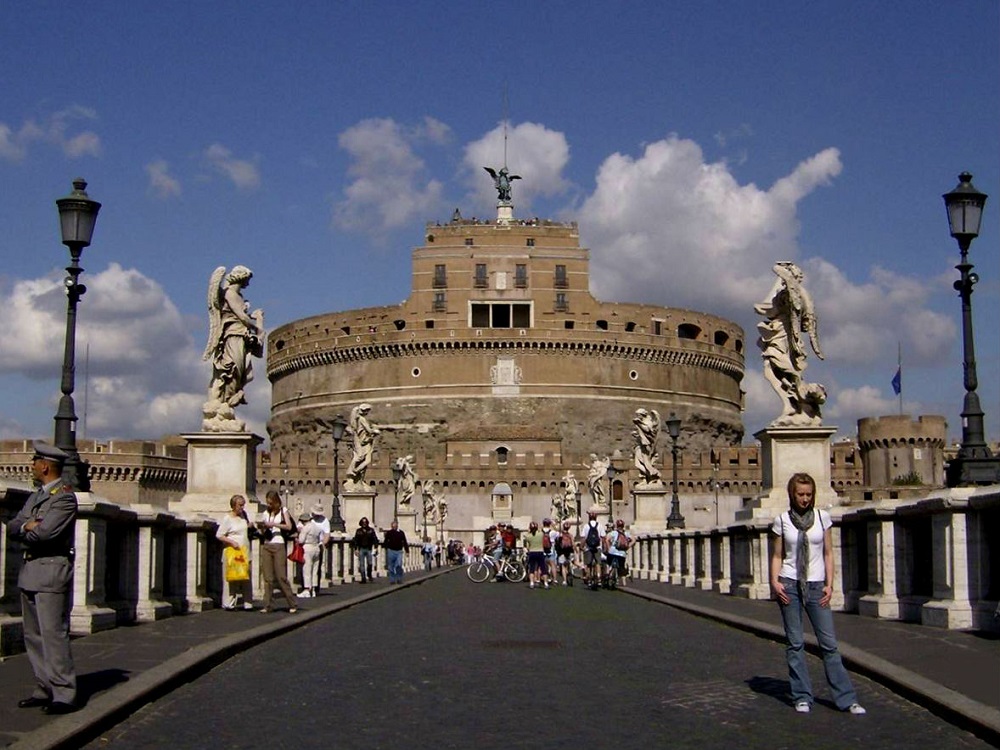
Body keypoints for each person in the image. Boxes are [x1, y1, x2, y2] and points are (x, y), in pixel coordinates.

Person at [769, 472, 865, 715]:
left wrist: (830, 584)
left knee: (829, 644)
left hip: (816, 586)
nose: (805, 499)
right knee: (795, 643)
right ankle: (801, 696)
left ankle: (846, 699)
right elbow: (778, 555)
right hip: (789, 584)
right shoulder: (782, 521)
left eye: (808, 494)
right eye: (800, 494)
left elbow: (828, 553)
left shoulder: (823, 518)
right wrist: (774, 582)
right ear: (792, 494)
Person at [8, 442, 79, 714]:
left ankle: (64, 693)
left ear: (46, 466)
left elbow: (46, 533)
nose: (32, 464)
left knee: (53, 635)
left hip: (51, 571)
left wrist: (28, 527)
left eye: (36, 460)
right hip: (31, 571)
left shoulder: (63, 497)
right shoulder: (36, 496)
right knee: (33, 636)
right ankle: (44, 687)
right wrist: (28, 525)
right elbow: (15, 525)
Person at [754, 262, 826, 426]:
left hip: (783, 333)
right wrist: (780, 278)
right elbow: (765, 308)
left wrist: (781, 272)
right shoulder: (786, 293)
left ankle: (801, 389)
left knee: (780, 367)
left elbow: (767, 310)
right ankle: (789, 404)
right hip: (778, 331)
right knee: (770, 371)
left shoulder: (796, 294)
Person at [202, 265, 264, 428]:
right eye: (247, 280)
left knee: (241, 373)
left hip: (240, 337)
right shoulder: (230, 293)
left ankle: (225, 407)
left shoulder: (238, 295)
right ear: (240, 278)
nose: (248, 284)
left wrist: (256, 322)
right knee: (231, 370)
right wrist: (258, 324)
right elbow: (242, 318)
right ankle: (222, 406)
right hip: (233, 337)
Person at [255, 490, 298, 613]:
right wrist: (262, 527)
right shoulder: (265, 513)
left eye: (271, 503)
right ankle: (268, 605)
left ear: (276, 502)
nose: (269, 505)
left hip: (279, 545)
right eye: (267, 503)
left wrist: (273, 524)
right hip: (267, 545)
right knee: (268, 578)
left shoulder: (283, 511)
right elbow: (263, 533)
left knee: (281, 576)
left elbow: (289, 527)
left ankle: (292, 603)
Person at [216, 494, 255, 610]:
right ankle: (229, 603)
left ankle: (248, 602)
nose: (242, 507)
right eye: (240, 505)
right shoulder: (227, 518)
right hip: (232, 552)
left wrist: (249, 526)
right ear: (233, 506)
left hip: (244, 551)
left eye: (243, 505)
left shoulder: (244, 516)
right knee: (230, 578)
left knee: (246, 577)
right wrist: (231, 542)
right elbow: (219, 535)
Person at [298, 506, 329, 598]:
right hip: (317, 548)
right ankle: (314, 589)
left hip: (308, 548)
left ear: (303, 521)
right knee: (315, 570)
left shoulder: (306, 528)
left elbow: (301, 540)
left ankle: (307, 589)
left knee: (307, 569)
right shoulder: (317, 527)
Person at [346, 403, 379, 488]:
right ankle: (353, 471)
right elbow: (369, 430)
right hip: (362, 442)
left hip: (365, 442)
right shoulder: (361, 419)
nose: (368, 412)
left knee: (365, 460)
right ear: (365, 411)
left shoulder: (358, 419)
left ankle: (359, 478)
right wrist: (376, 431)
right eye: (368, 410)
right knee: (362, 458)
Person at [581, 511, 605, 589]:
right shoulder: (600, 526)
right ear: (596, 518)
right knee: (598, 563)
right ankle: (598, 578)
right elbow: (603, 537)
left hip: (588, 547)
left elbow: (583, 538)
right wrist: (605, 547)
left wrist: (582, 546)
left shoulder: (586, 526)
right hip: (597, 547)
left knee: (588, 564)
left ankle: (589, 580)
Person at [523, 521, 550, 589]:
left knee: (532, 568)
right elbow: (542, 531)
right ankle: (546, 583)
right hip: (540, 552)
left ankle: (531, 583)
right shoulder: (541, 534)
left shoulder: (528, 536)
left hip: (532, 552)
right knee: (543, 568)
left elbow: (525, 536)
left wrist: (529, 531)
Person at [352, 517, 379, 583]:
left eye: (365, 522)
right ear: (361, 523)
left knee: (370, 563)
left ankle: (369, 574)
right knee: (361, 564)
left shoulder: (371, 530)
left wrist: (376, 547)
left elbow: (375, 539)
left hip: (369, 549)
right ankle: (363, 578)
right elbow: (356, 540)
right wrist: (356, 549)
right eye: (363, 522)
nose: (364, 524)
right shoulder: (358, 531)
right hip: (361, 549)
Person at [605, 519, 631, 587]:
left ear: (616, 525)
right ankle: (624, 583)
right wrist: (628, 546)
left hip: (612, 552)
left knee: (608, 563)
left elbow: (607, 540)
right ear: (623, 526)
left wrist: (608, 548)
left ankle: (608, 574)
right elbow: (634, 540)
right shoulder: (626, 534)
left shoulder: (613, 533)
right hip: (622, 554)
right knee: (622, 568)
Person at [383, 520, 408, 584]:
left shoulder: (401, 533)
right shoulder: (389, 533)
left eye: (395, 526)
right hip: (391, 550)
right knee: (391, 566)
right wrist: (385, 548)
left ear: (397, 526)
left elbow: (405, 542)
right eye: (393, 526)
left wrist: (407, 550)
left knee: (398, 565)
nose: (394, 527)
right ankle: (392, 579)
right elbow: (385, 541)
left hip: (399, 551)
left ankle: (399, 578)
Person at [554, 522, 575, 586]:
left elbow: (557, 543)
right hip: (569, 551)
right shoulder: (570, 535)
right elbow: (573, 544)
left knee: (563, 566)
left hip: (562, 552)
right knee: (569, 563)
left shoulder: (559, 535)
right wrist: (575, 550)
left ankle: (564, 581)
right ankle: (570, 571)